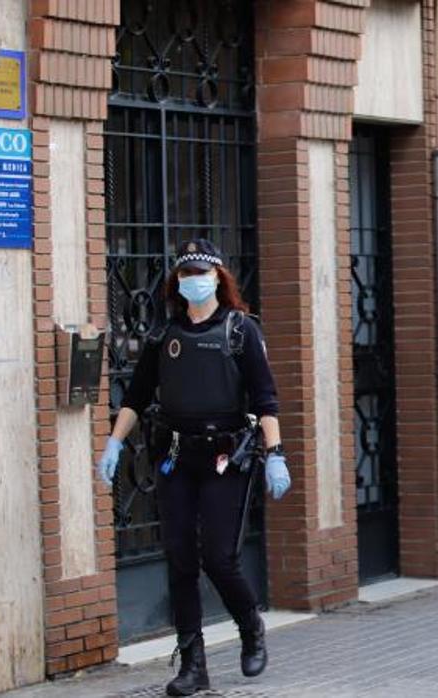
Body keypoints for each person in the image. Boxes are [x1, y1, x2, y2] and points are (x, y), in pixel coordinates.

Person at [95, 239, 292, 696]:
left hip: (227, 458)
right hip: (177, 457)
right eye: (185, 274)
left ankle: (250, 627)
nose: (194, 281)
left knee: (219, 558)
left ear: (219, 279)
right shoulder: (164, 336)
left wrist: (275, 454)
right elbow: (138, 397)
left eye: (202, 273)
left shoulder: (241, 330)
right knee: (181, 560)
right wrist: (113, 442)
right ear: (176, 282)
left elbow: (265, 399)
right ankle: (192, 665)